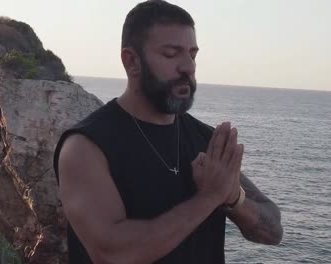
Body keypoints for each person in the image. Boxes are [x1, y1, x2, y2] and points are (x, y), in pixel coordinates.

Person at [53, 1, 283, 263]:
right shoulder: (86, 146)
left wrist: (233, 198)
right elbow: (112, 253)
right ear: (132, 61)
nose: (188, 67)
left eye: (192, 54)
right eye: (172, 54)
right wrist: (209, 197)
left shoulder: (206, 141)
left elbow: (273, 231)